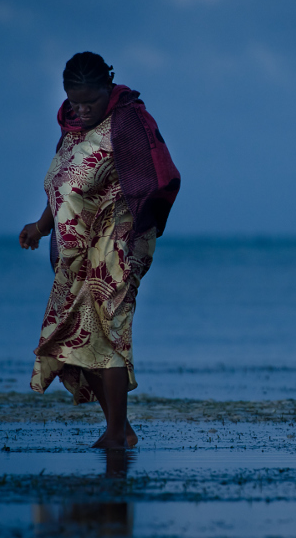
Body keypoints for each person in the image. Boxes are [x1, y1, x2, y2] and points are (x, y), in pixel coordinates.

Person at [19, 52, 180, 449]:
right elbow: (64, 185)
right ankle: (120, 429)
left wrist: (130, 229)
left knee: (110, 333)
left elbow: (154, 178)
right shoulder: (71, 128)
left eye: (89, 101)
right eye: (75, 101)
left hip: (119, 245)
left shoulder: (126, 121)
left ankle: (116, 433)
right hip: (78, 253)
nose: (82, 109)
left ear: (107, 89)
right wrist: (40, 228)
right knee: (76, 333)